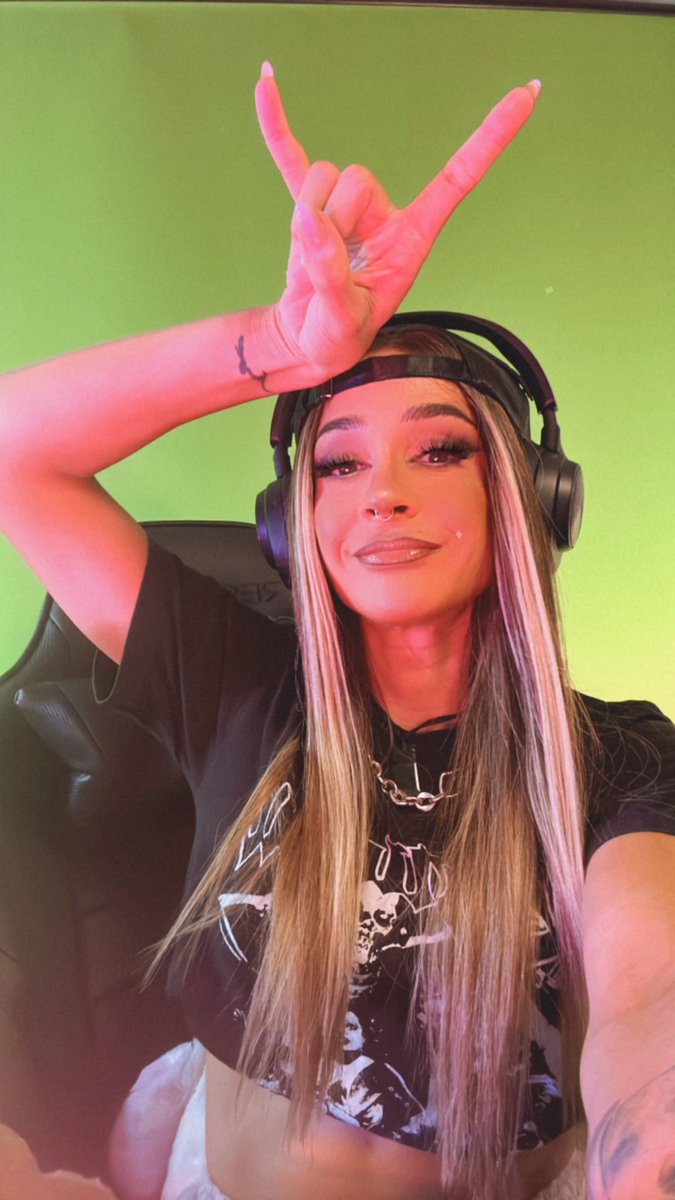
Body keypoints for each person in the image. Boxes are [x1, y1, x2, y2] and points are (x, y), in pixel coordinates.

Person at [0, 63, 673, 1200]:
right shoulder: (237, 683)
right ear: (290, 520)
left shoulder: (612, 762)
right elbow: (15, 449)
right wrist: (281, 346)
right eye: (340, 463)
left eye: (441, 449)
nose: (384, 494)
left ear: (529, 498)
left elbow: (650, 986)